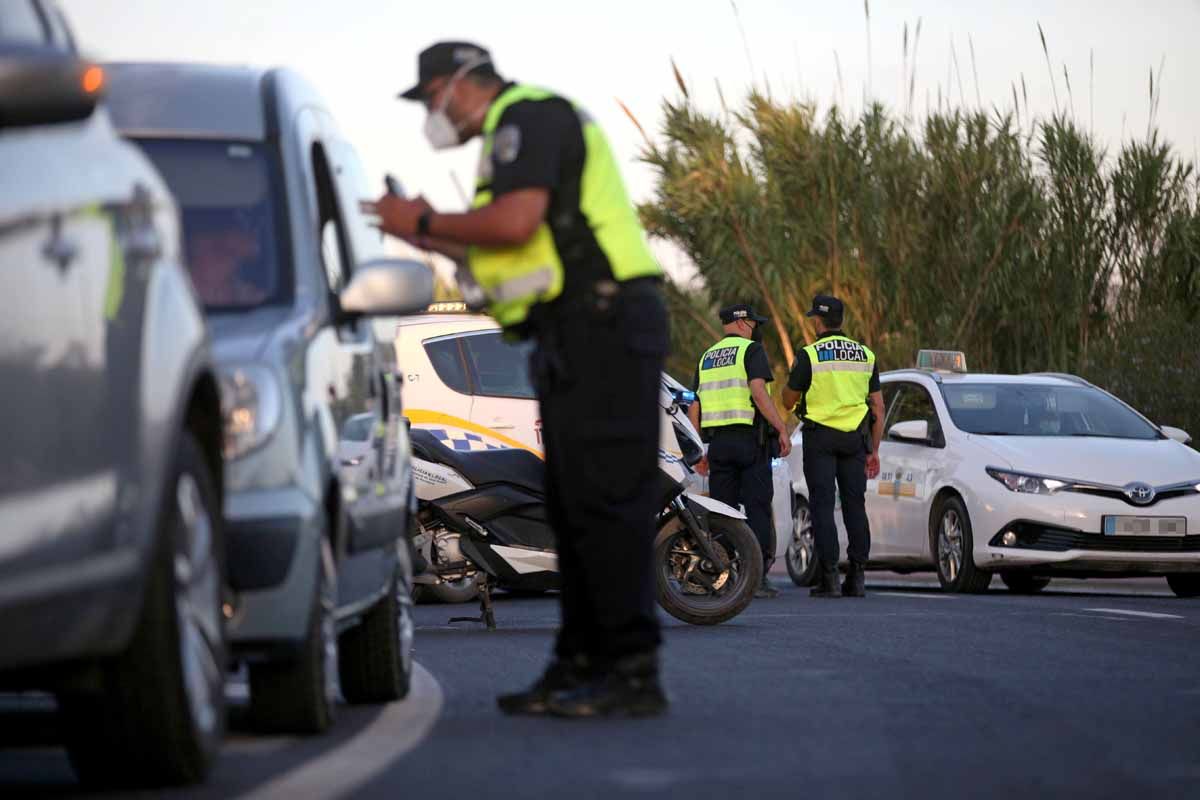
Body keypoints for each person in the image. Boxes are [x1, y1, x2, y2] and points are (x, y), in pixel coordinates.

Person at [363, 42, 668, 718]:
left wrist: (419, 220)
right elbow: (495, 250)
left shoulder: (526, 117)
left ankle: (629, 672)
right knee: (573, 505)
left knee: (606, 504)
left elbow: (515, 221)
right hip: (570, 332)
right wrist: (421, 233)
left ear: (459, 83)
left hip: (606, 321)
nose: (433, 115)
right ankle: (579, 665)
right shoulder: (508, 139)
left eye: (431, 97)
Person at [780, 295, 884, 598]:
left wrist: (794, 387)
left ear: (817, 321)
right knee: (855, 506)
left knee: (822, 506)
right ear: (842, 320)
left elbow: (788, 400)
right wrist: (874, 450)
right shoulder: (865, 355)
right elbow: (877, 404)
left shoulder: (810, 355)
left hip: (821, 438)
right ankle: (857, 577)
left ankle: (829, 579)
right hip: (855, 440)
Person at [688, 304, 792, 599]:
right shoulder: (751, 351)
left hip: (718, 445)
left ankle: (725, 575)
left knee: (723, 511)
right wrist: (781, 428)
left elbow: (694, 404)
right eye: (754, 323)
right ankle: (756, 579)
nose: (755, 328)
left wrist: (700, 448)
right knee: (758, 508)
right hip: (750, 441)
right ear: (744, 323)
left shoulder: (707, 357)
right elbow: (758, 392)